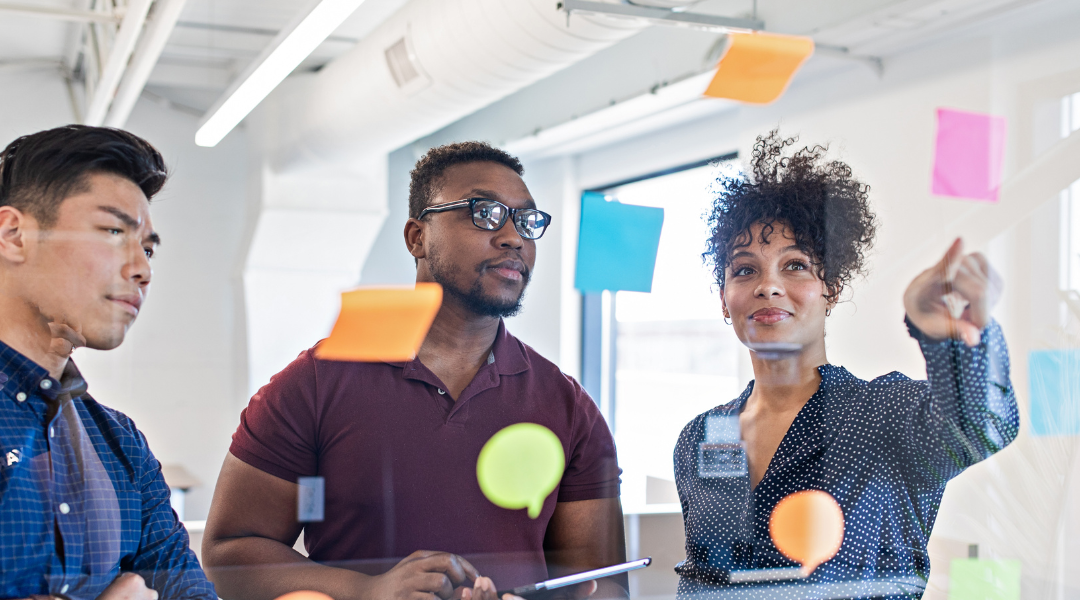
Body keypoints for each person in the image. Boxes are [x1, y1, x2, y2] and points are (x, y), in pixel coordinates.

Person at [202, 141, 627, 600]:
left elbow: (603, 586)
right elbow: (231, 553)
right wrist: (368, 592)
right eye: (485, 212)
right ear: (416, 238)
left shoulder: (568, 407)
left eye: (526, 220)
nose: (512, 237)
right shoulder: (317, 383)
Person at [673, 132, 1019, 599]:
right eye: (745, 269)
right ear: (724, 298)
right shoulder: (705, 437)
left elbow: (984, 425)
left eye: (795, 265)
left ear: (831, 288)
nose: (768, 286)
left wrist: (943, 334)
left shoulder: (884, 413)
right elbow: (705, 581)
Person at [0, 125, 216, 600]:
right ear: (14, 235)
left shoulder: (121, 446)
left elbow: (188, 589)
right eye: (113, 231)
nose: (142, 268)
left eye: (148, 247)